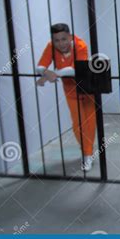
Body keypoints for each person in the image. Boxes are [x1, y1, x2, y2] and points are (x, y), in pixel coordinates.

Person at [36, 23, 96, 171]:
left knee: (90, 122)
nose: (61, 43)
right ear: (52, 40)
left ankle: (88, 153)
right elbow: (40, 66)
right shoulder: (51, 47)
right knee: (78, 124)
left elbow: (76, 70)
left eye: (64, 39)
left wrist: (53, 73)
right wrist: (45, 72)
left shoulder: (80, 45)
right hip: (70, 91)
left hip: (87, 89)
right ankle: (87, 152)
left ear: (70, 36)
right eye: (56, 40)